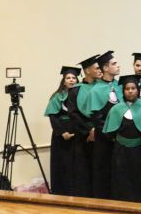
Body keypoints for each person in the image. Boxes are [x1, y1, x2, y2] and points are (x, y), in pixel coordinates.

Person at [103, 75, 141, 203]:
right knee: (121, 179)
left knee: (140, 179)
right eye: (127, 89)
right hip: (121, 151)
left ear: (138, 90)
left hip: (140, 151)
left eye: (133, 88)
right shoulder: (116, 109)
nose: (130, 91)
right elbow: (109, 132)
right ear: (123, 91)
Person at [85, 51, 122, 199]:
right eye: (114, 64)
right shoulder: (95, 90)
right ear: (105, 68)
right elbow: (97, 119)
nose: (118, 66)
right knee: (105, 171)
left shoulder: (120, 86)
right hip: (105, 138)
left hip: (122, 137)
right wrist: (111, 135)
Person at [66, 55, 102, 197]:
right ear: (87, 71)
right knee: (84, 168)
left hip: (101, 134)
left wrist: (97, 129)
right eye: (97, 68)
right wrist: (89, 129)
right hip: (83, 136)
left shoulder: (102, 87)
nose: (100, 70)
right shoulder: (75, 90)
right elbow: (73, 113)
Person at [44, 66, 80, 195]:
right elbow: (53, 116)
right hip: (62, 135)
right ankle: (63, 192)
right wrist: (62, 132)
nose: (71, 80)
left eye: (73, 78)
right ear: (63, 81)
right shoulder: (57, 96)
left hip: (78, 133)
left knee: (77, 163)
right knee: (64, 163)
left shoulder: (81, 95)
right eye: (68, 78)